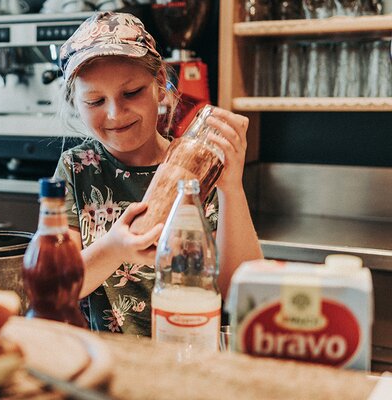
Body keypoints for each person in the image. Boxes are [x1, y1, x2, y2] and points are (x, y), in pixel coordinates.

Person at [54, 11, 263, 336]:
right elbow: (56, 287)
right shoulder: (77, 168)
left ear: (160, 86)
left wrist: (232, 189)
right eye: (95, 100)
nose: (114, 113)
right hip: (108, 362)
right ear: (76, 104)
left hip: (192, 350)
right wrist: (116, 249)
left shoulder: (199, 166)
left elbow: (241, 292)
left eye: (131, 92)